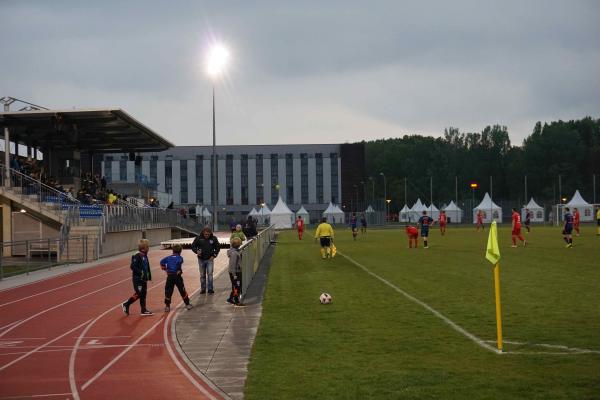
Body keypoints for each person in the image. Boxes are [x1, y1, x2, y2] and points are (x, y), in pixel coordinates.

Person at [122, 239, 153, 316]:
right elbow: (132, 266)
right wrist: (141, 273)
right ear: (144, 247)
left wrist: (149, 276)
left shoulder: (145, 255)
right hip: (137, 279)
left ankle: (143, 310)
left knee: (144, 293)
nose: (149, 248)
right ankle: (126, 304)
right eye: (148, 246)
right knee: (139, 293)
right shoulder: (137, 255)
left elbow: (146, 266)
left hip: (143, 279)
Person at [160, 244, 192, 312]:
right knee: (182, 290)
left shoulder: (167, 258)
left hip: (170, 277)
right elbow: (178, 264)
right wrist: (179, 270)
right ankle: (187, 304)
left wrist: (164, 268)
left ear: (173, 251)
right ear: (180, 251)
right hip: (177, 277)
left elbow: (161, 262)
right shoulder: (180, 258)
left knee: (168, 291)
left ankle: (167, 306)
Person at [191, 227, 221, 294]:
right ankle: (203, 289)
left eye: (208, 234)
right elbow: (193, 246)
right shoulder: (198, 238)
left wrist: (214, 255)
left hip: (210, 259)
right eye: (205, 234)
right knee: (202, 275)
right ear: (203, 233)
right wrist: (196, 251)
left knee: (210, 274)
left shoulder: (213, 238)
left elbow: (218, 247)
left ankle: (210, 289)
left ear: (210, 233)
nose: (206, 236)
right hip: (201, 259)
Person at [226, 237, 245, 306]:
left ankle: (231, 298)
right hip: (235, 273)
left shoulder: (236, 251)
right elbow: (232, 264)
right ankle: (236, 300)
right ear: (238, 244)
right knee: (237, 286)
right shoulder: (234, 253)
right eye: (240, 243)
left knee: (235, 286)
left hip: (236, 272)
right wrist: (234, 275)